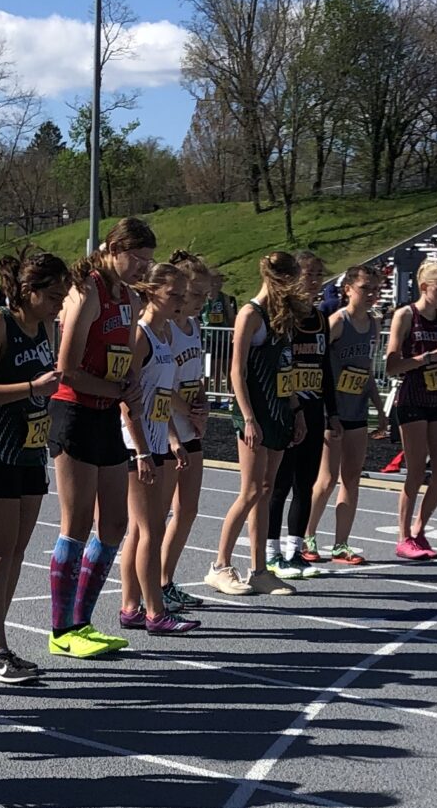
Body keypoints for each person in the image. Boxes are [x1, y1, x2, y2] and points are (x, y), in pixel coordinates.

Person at [46, 217, 152, 650]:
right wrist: (113, 387)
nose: (142, 267)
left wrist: (129, 384)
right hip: (73, 409)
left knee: (114, 522)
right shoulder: (87, 289)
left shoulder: (128, 296)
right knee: (74, 522)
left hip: (107, 411)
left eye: (148, 260)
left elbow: (124, 356)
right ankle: (61, 631)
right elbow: (66, 366)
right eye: (136, 258)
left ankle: (82, 621)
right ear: (112, 248)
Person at [0, 246, 65, 676]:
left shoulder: (46, 328)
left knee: (18, 549)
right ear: (29, 290)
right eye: (55, 295)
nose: (61, 303)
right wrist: (30, 387)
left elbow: (46, 388)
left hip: (30, 446)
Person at [210, 251, 305, 594]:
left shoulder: (283, 316)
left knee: (266, 491)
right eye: (289, 280)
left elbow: (285, 367)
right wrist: (247, 417)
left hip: (278, 408)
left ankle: (260, 569)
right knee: (250, 490)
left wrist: (296, 410)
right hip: (254, 411)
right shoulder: (250, 314)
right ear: (273, 278)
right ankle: (220, 564)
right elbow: (237, 371)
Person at [113, 257, 197, 632]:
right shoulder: (141, 334)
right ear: (150, 293)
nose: (179, 301)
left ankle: (132, 606)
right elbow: (128, 397)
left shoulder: (166, 335)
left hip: (159, 439)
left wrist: (174, 439)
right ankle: (154, 611)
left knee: (142, 527)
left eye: (183, 294)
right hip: (138, 445)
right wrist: (144, 449)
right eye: (172, 294)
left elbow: (160, 396)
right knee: (150, 529)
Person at [304, 262, 384, 565]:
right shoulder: (338, 321)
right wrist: (327, 408)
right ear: (348, 289)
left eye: (376, 289)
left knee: (352, 478)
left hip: (358, 410)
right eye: (365, 288)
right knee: (326, 479)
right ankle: (307, 536)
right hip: (333, 411)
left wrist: (379, 408)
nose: (371, 294)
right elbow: (321, 366)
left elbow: (366, 371)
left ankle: (341, 543)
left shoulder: (373, 324)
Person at [155, 248, 216, 617]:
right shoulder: (164, 330)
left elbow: (197, 373)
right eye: (194, 295)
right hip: (166, 429)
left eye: (203, 296)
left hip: (191, 425)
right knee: (158, 514)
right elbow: (158, 384)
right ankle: (152, 587)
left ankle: (166, 579)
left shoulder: (194, 327)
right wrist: (182, 414)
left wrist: (203, 404)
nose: (198, 303)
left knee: (188, 509)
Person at [387, 259, 437, 557]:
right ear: (424, 287)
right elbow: (392, 365)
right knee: (416, 470)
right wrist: (427, 358)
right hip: (413, 397)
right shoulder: (406, 315)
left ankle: (420, 528)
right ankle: (404, 535)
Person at [267, 250, 328, 575]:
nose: (315, 281)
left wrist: (331, 414)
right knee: (280, 484)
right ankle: (270, 551)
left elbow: (325, 369)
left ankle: (295, 550)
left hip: (315, 410)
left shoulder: (320, 319)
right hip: (288, 411)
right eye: (309, 274)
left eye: (319, 275)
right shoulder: (281, 318)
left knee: (306, 483)